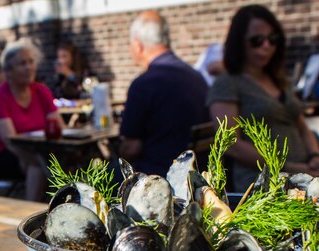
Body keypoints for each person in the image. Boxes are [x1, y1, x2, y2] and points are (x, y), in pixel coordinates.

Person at [207, 4, 319, 192]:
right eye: (257, 40)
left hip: (304, 177)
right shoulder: (228, 83)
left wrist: (314, 155)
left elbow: (300, 124)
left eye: (272, 39)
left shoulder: (276, 78)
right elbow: (231, 143)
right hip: (264, 185)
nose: (266, 46)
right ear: (239, 42)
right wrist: (287, 166)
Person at [119, 10, 209, 177]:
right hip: (199, 174)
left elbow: (131, 148)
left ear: (138, 45)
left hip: (159, 177)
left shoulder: (143, 84)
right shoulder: (196, 76)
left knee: (103, 174)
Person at [0, 38, 64, 201]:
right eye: (22, 63)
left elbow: (58, 126)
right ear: (8, 71)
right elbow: (11, 142)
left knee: (72, 161)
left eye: (31, 62)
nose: (29, 67)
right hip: (5, 155)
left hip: (42, 149)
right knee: (38, 165)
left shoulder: (41, 91)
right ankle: (30, 213)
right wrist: (42, 160)